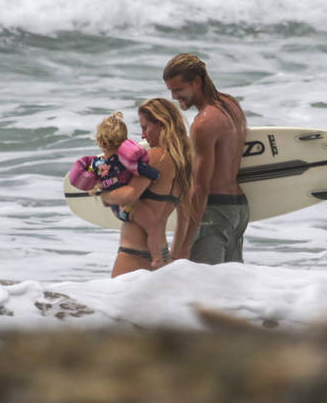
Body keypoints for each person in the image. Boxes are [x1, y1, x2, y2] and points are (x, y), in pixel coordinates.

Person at [162, 53, 248, 264]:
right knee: (228, 287)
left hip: (212, 213)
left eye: (178, 90)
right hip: (238, 209)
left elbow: (200, 187)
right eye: (171, 91)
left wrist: (183, 243)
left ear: (197, 82)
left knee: (202, 290)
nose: (174, 97)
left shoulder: (203, 124)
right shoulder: (231, 105)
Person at [98, 99, 193, 277]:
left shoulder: (153, 158)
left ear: (162, 124)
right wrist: (173, 256)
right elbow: (185, 217)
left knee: (116, 304)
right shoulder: (185, 165)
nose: (142, 136)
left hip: (133, 254)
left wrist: (105, 195)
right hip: (161, 255)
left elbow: (130, 195)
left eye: (145, 128)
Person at [68, 111, 166, 261]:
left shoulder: (95, 164)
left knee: (149, 227)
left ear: (99, 140)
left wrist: (99, 190)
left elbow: (90, 182)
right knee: (153, 227)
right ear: (123, 140)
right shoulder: (125, 160)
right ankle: (158, 259)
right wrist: (156, 175)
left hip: (116, 209)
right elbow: (146, 171)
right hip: (129, 206)